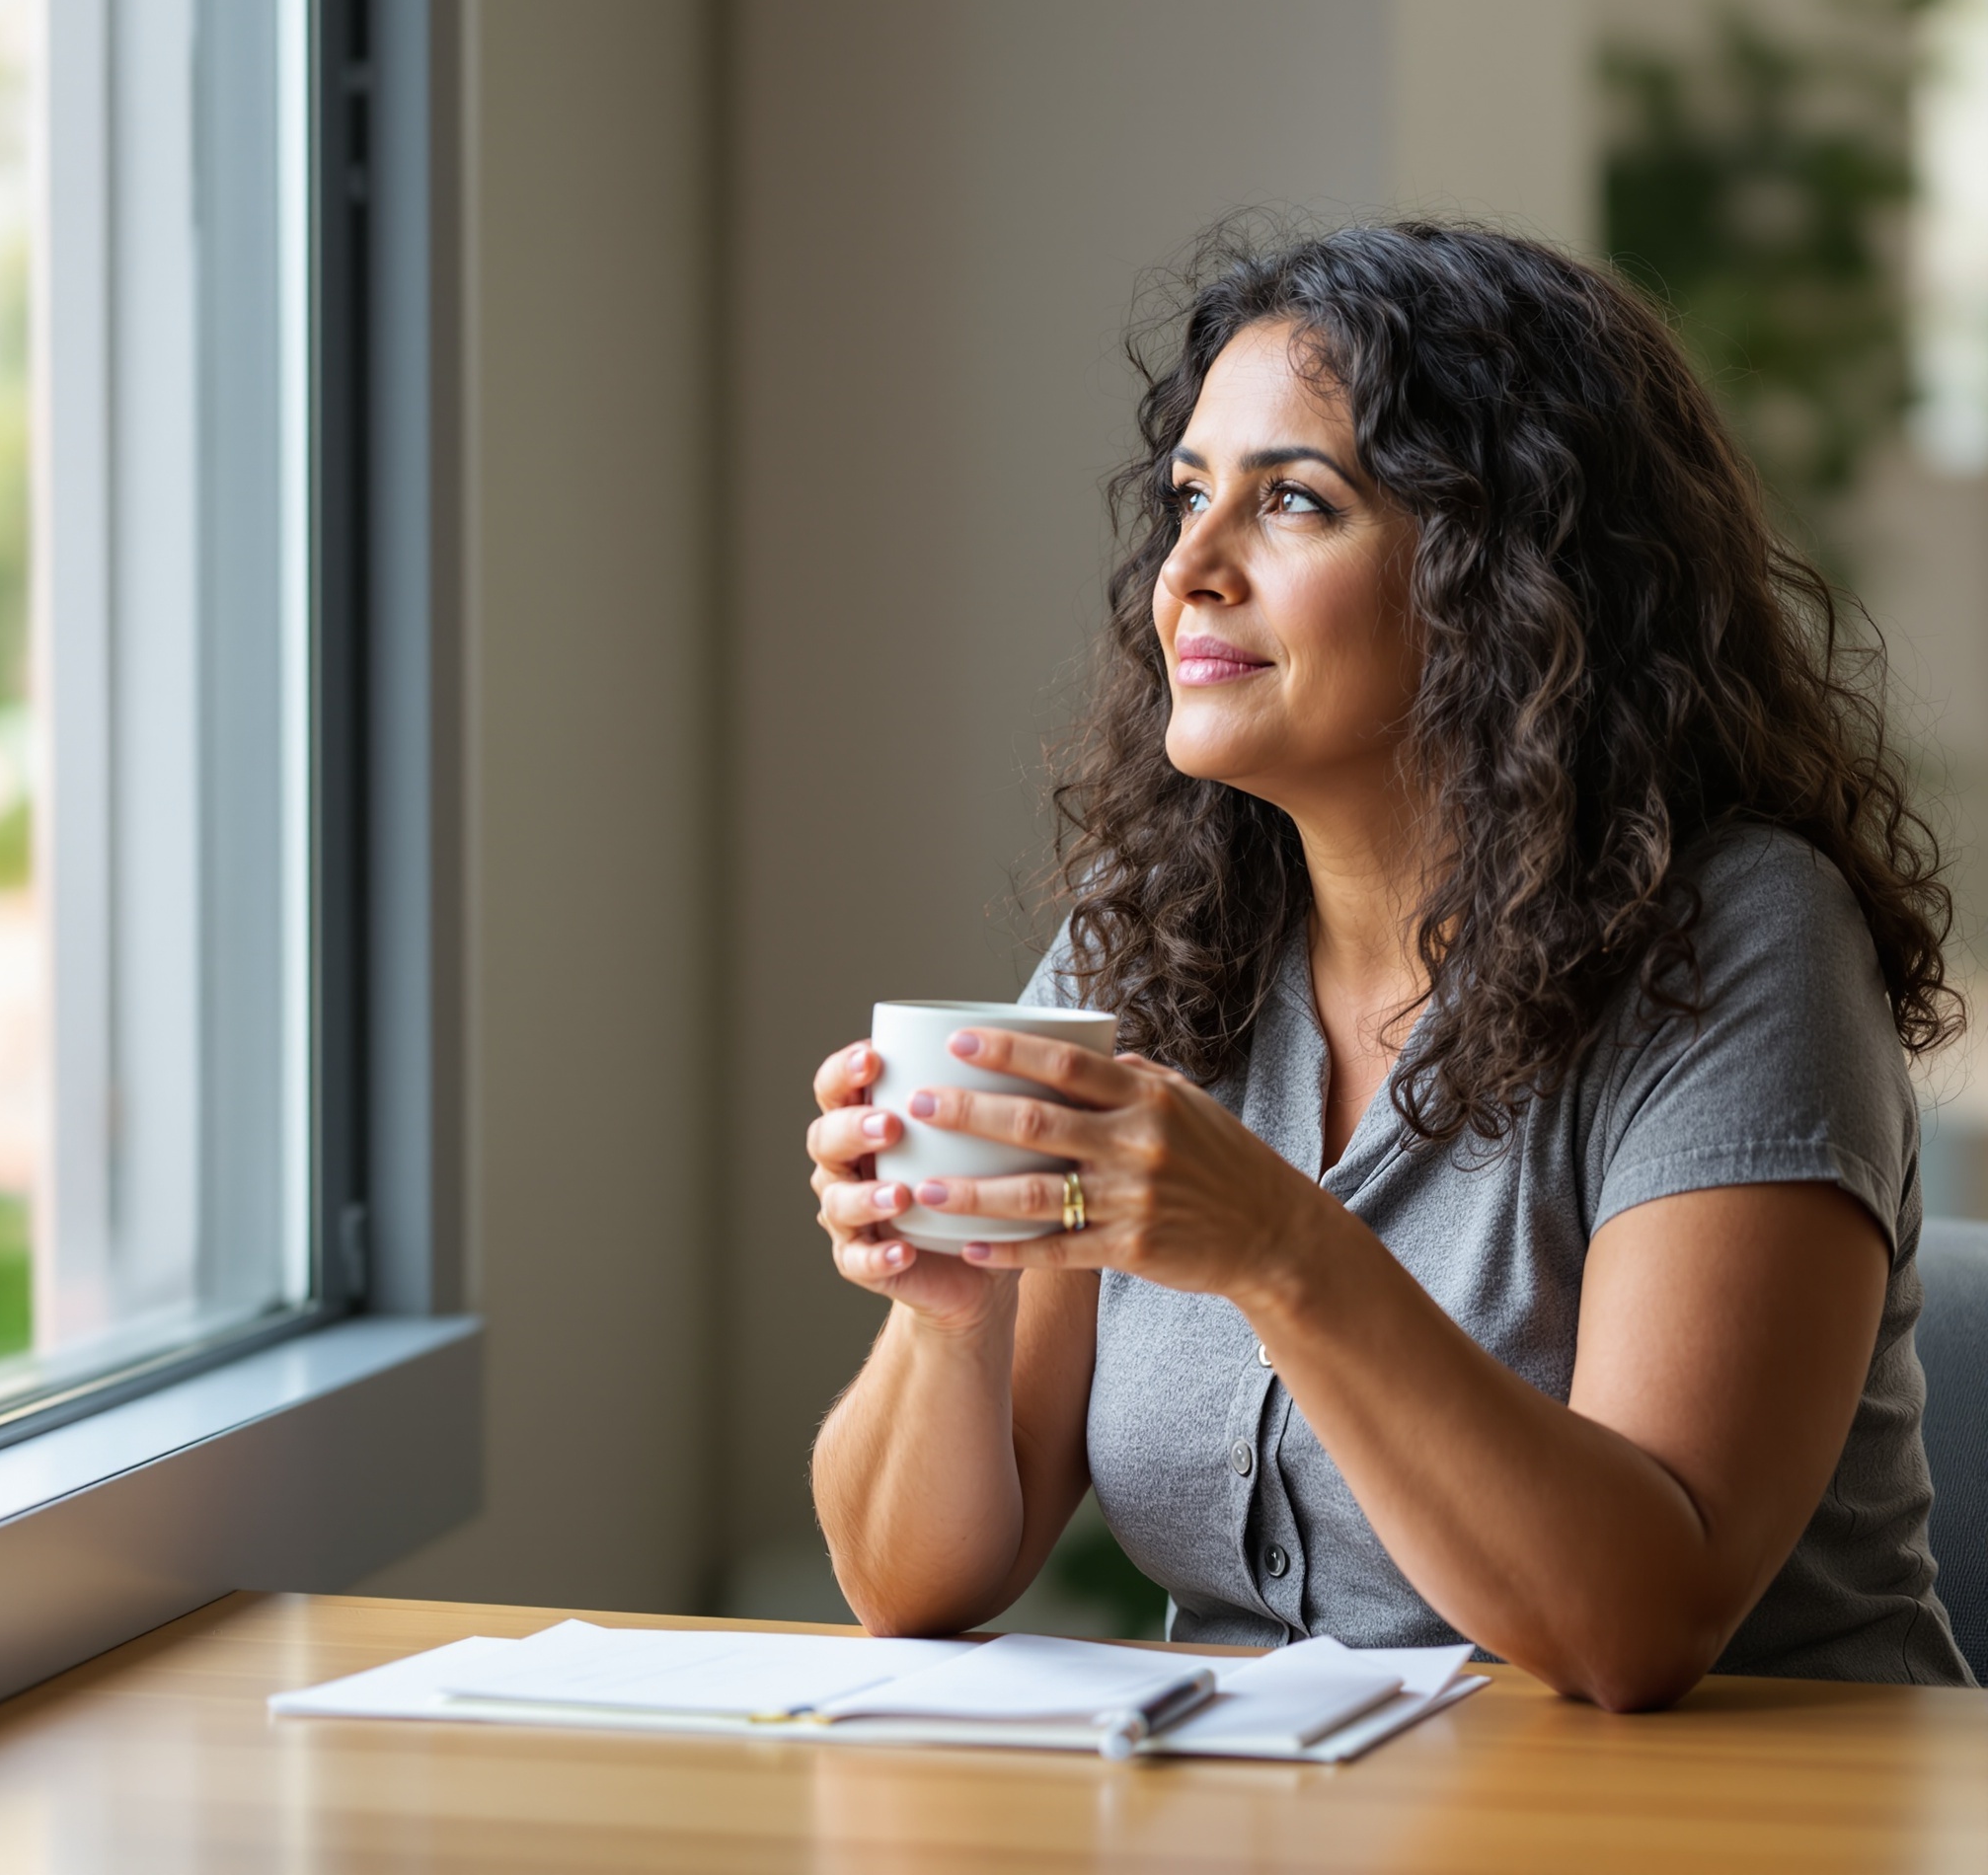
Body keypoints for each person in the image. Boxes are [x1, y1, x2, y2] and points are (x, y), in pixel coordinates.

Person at [804, 223, 1976, 1707]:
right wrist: (949, 1310)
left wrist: (1278, 1249)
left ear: (1516, 575)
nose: (1190, 573)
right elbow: (911, 1584)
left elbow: (1640, 1627)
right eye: (1187, 499)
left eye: (1292, 501)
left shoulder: (1738, 937)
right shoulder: (1151, 921)